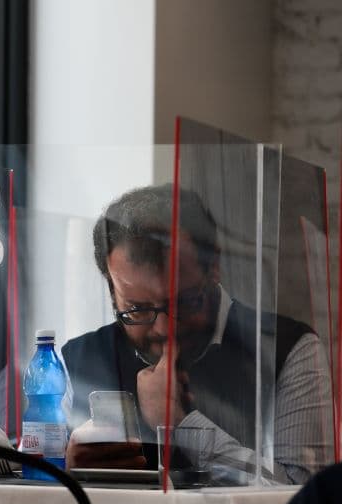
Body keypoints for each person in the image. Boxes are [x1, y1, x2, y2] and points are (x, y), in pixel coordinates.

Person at [62, 183, 332, 484]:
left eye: (183, 302)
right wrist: (69, 468)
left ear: (213, 267)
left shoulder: (289, 349)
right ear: (112, 291)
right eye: (137, 309)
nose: (164, 329)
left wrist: (181, 424)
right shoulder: (79, 359)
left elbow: (301, 491)